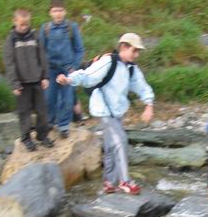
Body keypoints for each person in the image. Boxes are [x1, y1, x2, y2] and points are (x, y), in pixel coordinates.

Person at [57, 33, 154, 195]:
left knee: (110, 145)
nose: (137, 54)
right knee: (120, 140)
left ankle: (109, 182)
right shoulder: (109, 62)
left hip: (118, 112)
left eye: (138, 51)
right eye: (134, 50)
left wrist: (149, 104)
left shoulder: (131, 68)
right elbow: (88, 76)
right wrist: (69, 80)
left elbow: (142, 86)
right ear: (123, 47)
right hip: (104, 110)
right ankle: (125, 181)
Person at [3, 9, 54, 152]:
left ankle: (42, 135)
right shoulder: (11, 39)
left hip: (37, 80)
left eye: (26, 24)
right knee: (24, 112)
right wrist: (14, 83)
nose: (24, 27)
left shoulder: (35, 36)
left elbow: (42, 57)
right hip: (21, 83)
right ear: (14, 22)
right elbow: (9, 62)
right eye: (21, 24)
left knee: (42, 110)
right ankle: (26, 138)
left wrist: (45, 76)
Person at [40, 0, 84, 138]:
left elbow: (79, 49)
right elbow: (41, 51)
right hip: (51, 69)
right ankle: (49, 122)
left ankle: (64, 126)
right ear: (50, 13)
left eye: (60, 11)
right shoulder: (45, 29)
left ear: (65, 12)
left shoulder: (72, 27)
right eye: (55, 11)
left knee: (67, 99)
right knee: (49, 97)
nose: (58, 14)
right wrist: (43, 72)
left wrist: (74, 67)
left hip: (67, 69)